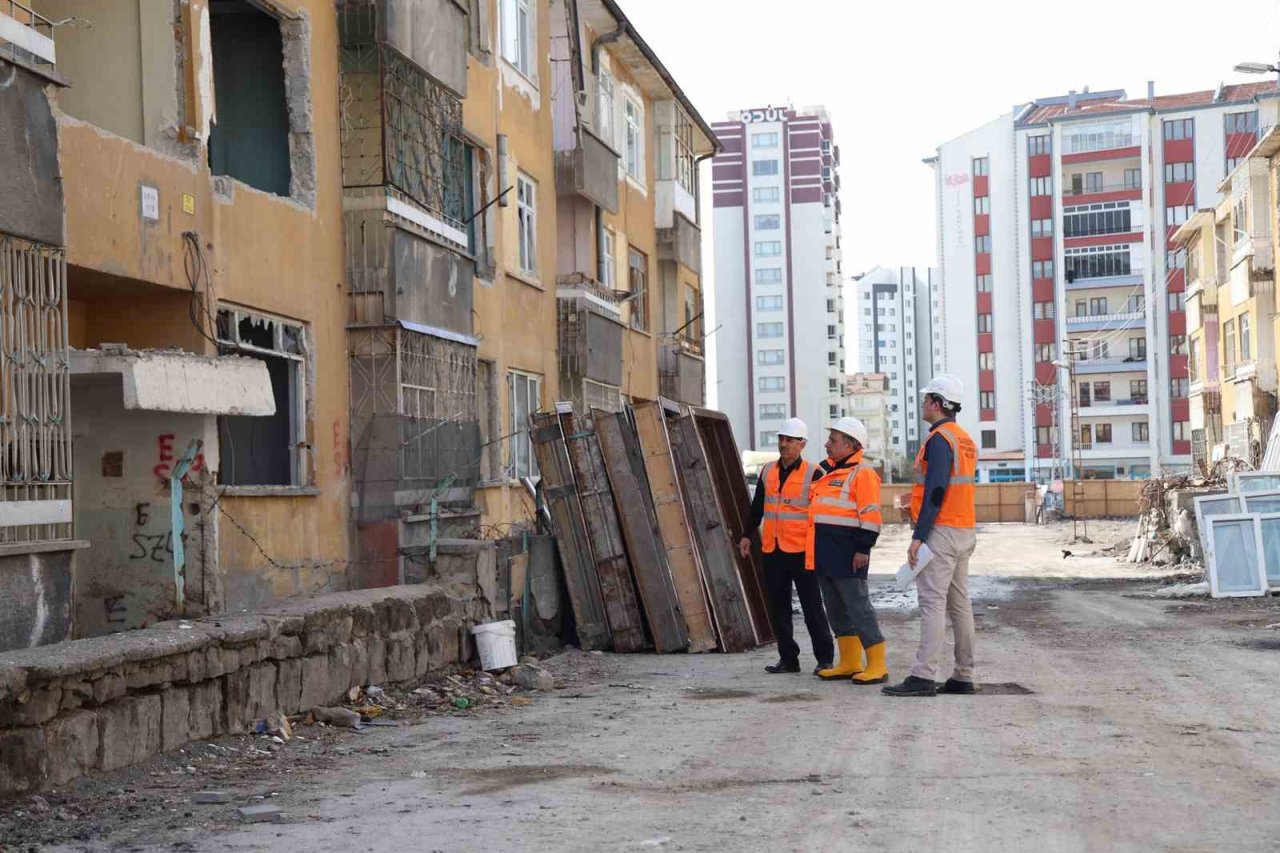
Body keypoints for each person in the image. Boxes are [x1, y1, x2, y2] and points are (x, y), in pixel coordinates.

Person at [883, 374, 979, 698]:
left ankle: (924, 676)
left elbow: (937, 489)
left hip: (943, 531)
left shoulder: (939, 440)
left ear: (937, 404)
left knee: (932, 603)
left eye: (926, 400)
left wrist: (919, 536)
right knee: (959, 604)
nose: (923, 404)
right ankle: (963, 675)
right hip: (964, 528)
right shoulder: (963, 438)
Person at [739, 418, 834, 674]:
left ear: (802, 444)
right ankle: (788, 659)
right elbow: (757, 505)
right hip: (773, 549)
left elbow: (823, 514)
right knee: (778, 607)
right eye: (781, 439)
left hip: (803, 551)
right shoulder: (767, 470)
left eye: (789, 440)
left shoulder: (814, 473)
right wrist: (747, 534)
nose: (783, 444)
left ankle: (825, 659)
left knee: (812, 607)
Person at [804, 417, 887, 685]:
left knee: (859, 608)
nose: (827, 445)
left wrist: (863, 548)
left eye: (834, 440)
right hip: (826, 553)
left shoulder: (862, 474)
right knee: (836, 610)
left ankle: (877, 665)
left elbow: (871, 515)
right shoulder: (829, 474)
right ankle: (849, 662)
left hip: (850, 555)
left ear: (850, 445)